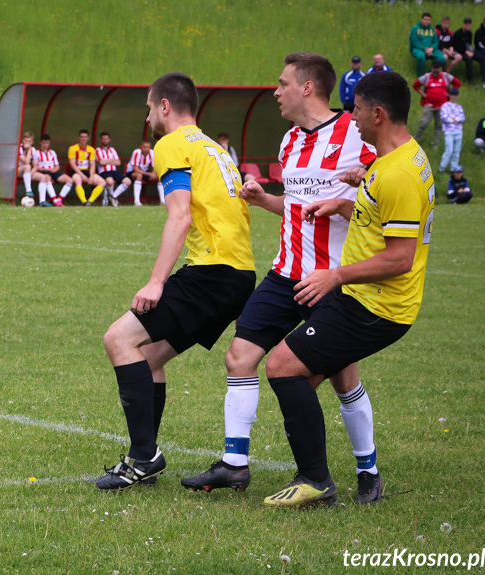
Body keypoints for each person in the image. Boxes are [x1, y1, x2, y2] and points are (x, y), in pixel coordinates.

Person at [181, 53, 383, 505]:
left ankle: (367, 470)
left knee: (341, 376)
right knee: (239, 356)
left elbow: (384, 189)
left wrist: (365, 175)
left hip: (332, 278)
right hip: (285, 273)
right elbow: (295, 205)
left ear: (308, 87)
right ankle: (235, 465)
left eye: (282, 83)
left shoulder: (356, 133)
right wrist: (263, 198)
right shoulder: (291, 140)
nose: (275, 91)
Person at [263, 71, 434, 508]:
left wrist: (334, 275)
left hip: (375, 305)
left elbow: (400, 258)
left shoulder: (397, 174)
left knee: (283, 367)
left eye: (356, 109)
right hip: (361, 296)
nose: (351, 117)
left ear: (377, 114)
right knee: (321, 376)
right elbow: (383, 213)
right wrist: (346, 202)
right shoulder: (398, 159)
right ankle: (366, 473)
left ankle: (315, 481)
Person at [95, 72, 256, 491]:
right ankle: (143, 454)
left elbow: (180, 215)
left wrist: (155, 281)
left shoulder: (171, 144)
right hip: (239, 274)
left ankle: (143, 457)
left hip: (211, 271)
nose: (148, 116)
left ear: (164, 106)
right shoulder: (215, 149)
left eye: (149, 107)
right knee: (148, 358)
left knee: (118, 339)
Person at [413, 60, 461, 149]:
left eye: (438, 68)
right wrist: (423, 94)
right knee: (423, 123)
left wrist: (450, 93)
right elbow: (415, 85)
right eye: (434, 68)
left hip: (442, 106)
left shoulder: (446, 76)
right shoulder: (427, 77)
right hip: (429, 105)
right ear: (432, 68)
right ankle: (415, 140)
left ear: (441, 68)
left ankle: (435, 144)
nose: (436, 70)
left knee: (439, 125)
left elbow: (458, 83)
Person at [116, 141, 165, 206]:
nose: (146, 149)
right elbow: (136, 169)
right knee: (139, 176)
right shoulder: (136, 152)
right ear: (141, 147)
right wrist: (150, 174)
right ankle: (137, 201)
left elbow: (154, 166)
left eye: (148, 147)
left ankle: (162, 201)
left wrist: (153, 173)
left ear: (150, 147)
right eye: (144, 147)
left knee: (159, 177)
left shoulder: (152, 152)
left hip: (145, 172)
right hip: (132, 172)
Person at [66, 129, 106, 206]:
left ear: (88, 138)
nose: (83, 139)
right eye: (81, 137)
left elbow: (92, 164)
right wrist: (82, 175)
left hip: (87, 171)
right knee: (78, 180)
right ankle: (84, 201)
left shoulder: (91, 149)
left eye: (85, 137)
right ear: (78, 137)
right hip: (76, 171)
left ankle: (90, 201)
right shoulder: (73, 148)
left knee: (102, 182)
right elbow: (72, 164)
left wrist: (91, 176)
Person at [32, 134, 67, 206]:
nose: (45, 145)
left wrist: (54, 170)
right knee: (47, 177)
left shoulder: (52, 152)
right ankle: (55, 201)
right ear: (40, 143)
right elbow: (35, 166)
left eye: (47, 143)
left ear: (49, 143)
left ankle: (59, 199)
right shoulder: (36, 152)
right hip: (43, 171)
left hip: (53, 171)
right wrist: (45, 169)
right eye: (44, 143)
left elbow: (57, 166)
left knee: (69, 180)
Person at [95, 132, 127, 207]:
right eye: (103, 139)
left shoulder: (112, 149)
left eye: (106, 139)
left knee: (127, 181)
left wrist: (106, 161)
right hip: (104, 171)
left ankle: (113, 196)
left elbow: (118, 162)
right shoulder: (97, 150)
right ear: (101, 140)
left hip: (113, 171)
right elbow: (101, 162)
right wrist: (111, 160)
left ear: (109, 140)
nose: (105, 140)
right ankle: (112, 197)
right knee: (110, 181)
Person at [410, 13, 446, 78]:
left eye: (429, 20)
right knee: (421, 57)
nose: (427, 21)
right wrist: (425, 49)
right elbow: (414, 42)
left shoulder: (432, 30)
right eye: (425, 19)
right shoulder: (415, 28)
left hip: (431, 49)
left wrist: (432, 48)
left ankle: (428, 75)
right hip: (418, 48)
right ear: (421, 19)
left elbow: (436, 42)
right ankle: (420, 77)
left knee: (442, 59)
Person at [439, 88, 465, 172]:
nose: (454, 97)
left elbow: (462, 118)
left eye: (455, 95)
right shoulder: (445, 106)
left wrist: (453, 119)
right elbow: (444, 118)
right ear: (449, 95)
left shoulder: (459, 107)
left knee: (457, 151)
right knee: (449, 151)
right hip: (448, 131)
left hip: (458, 131)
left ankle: (453, 168)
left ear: (457, 96)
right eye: (452, 95)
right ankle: (441, 168)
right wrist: (455, 120)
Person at [452, 17, 475, 84]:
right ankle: (470, 80)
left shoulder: (469, 33)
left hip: (465, 51)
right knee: (468, 59)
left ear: (470, 25)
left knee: (476, 56)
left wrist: (471, 51)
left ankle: (476, 78)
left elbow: (469, 44)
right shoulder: (458, 33)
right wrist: (466, 52)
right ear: (463, 24)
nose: (467, 26)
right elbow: (456, 46)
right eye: (466, 24)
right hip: (458, 51)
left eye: (469, 24)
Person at [17, 132, 35, 199]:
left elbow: (35, 165)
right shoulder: (19, 147)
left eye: (29, 141)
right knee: (27, 166)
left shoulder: (34, 150)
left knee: (44, 177)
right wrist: (29, 150)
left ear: (32, 142)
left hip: (27, 172)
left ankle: (42, 201)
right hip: (17, 171)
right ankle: (29, 190)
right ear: (22, 140)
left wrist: (31, 174)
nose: (27, 143)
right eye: (26, 141)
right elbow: (26, 161)